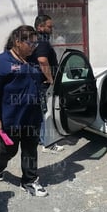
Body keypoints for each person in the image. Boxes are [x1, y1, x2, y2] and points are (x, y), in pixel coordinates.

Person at [0, 25, 48, 197]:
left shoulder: (33, 60)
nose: (33, 47)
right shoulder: (1, 61)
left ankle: (29, 181)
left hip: (32, 116)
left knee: (30, 149)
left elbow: (41, 79)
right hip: (10, 118)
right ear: (17, 42)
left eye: (35, 44)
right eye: (30, 43)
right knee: (9, 149)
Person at [28, 14, 64, 153]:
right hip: (43, 83)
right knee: (46, 112)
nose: (52, 29)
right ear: (40, 27)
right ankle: (48, 143)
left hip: (34, 82)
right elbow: (43, 60)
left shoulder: (33, 41)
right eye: (49, 26)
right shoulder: (42, 41)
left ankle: (39, 138)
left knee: (38, 111)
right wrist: (50, 79)